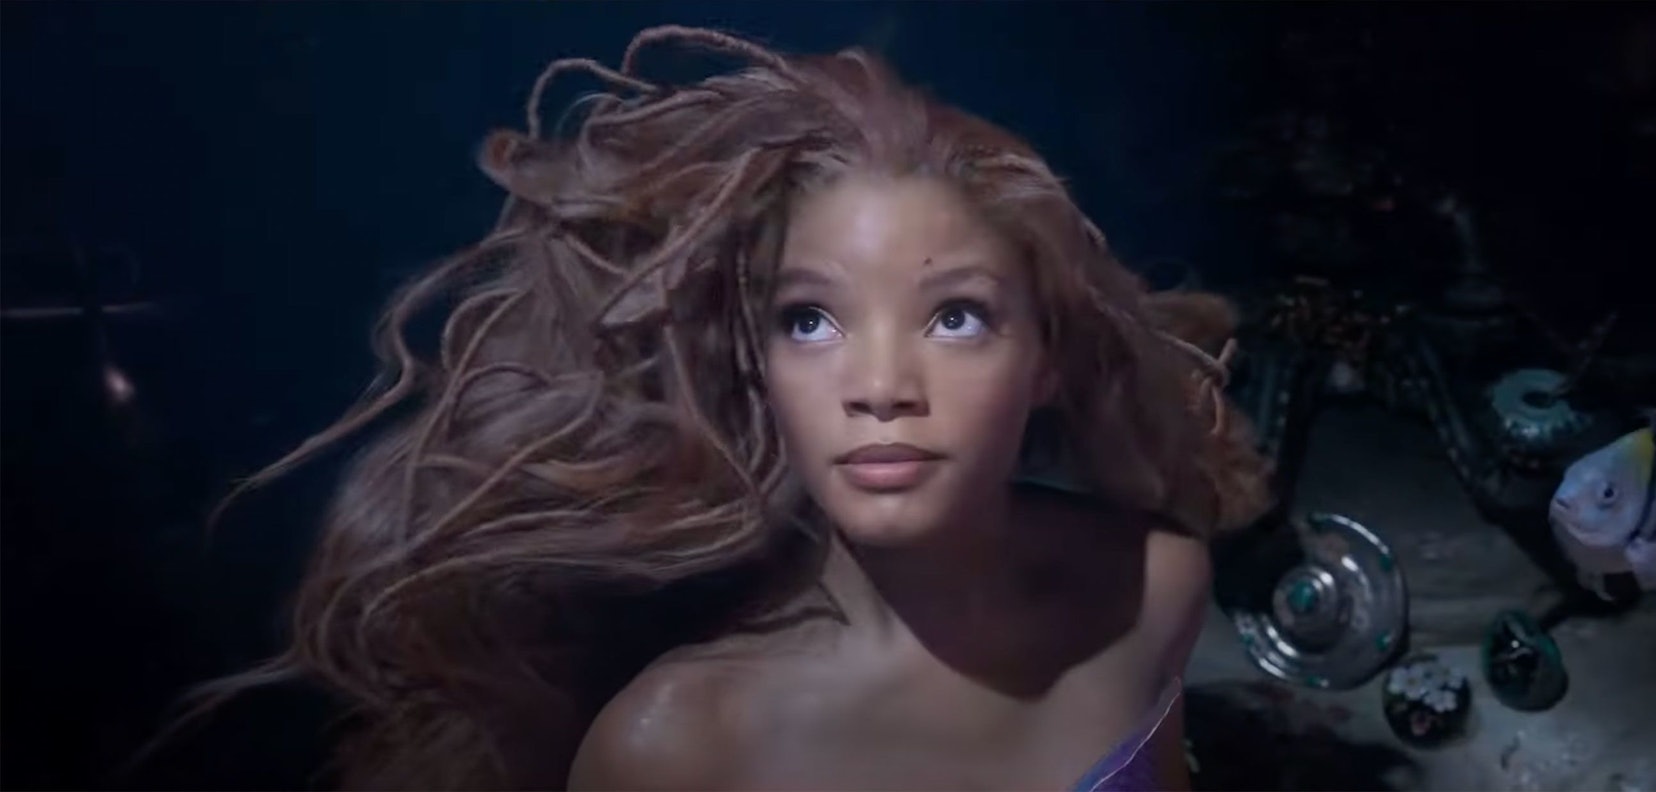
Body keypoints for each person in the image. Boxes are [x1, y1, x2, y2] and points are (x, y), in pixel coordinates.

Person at [171, 25, 1271, 791]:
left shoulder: (1150, 589)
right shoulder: (676, 746)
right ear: (757, 365)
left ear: (1047, 360)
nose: (880, 385)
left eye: (956, 317)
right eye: (810, 321)